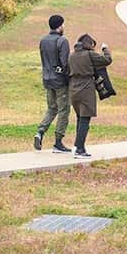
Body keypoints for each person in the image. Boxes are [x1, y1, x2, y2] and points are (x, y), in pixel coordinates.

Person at [68, 33, 112, 158]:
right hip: (86, 88)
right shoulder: (90, 54)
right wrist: (105, 49)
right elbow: (107, 60)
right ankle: (78, 148)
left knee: (80, 119)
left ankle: (80, 147)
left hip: (73, 89)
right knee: (85, 120)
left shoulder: (72, 56)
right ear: (89, 44)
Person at [35, 14, 72, 153]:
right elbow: (65, 63)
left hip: (47, 79)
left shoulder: (43, 41)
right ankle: (58, 142)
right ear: (59, 26)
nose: (64, 27)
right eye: (63, 24)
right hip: (60, 81)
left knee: (51, 108)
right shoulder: (62, 41)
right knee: (64, 110)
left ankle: (40, 132)